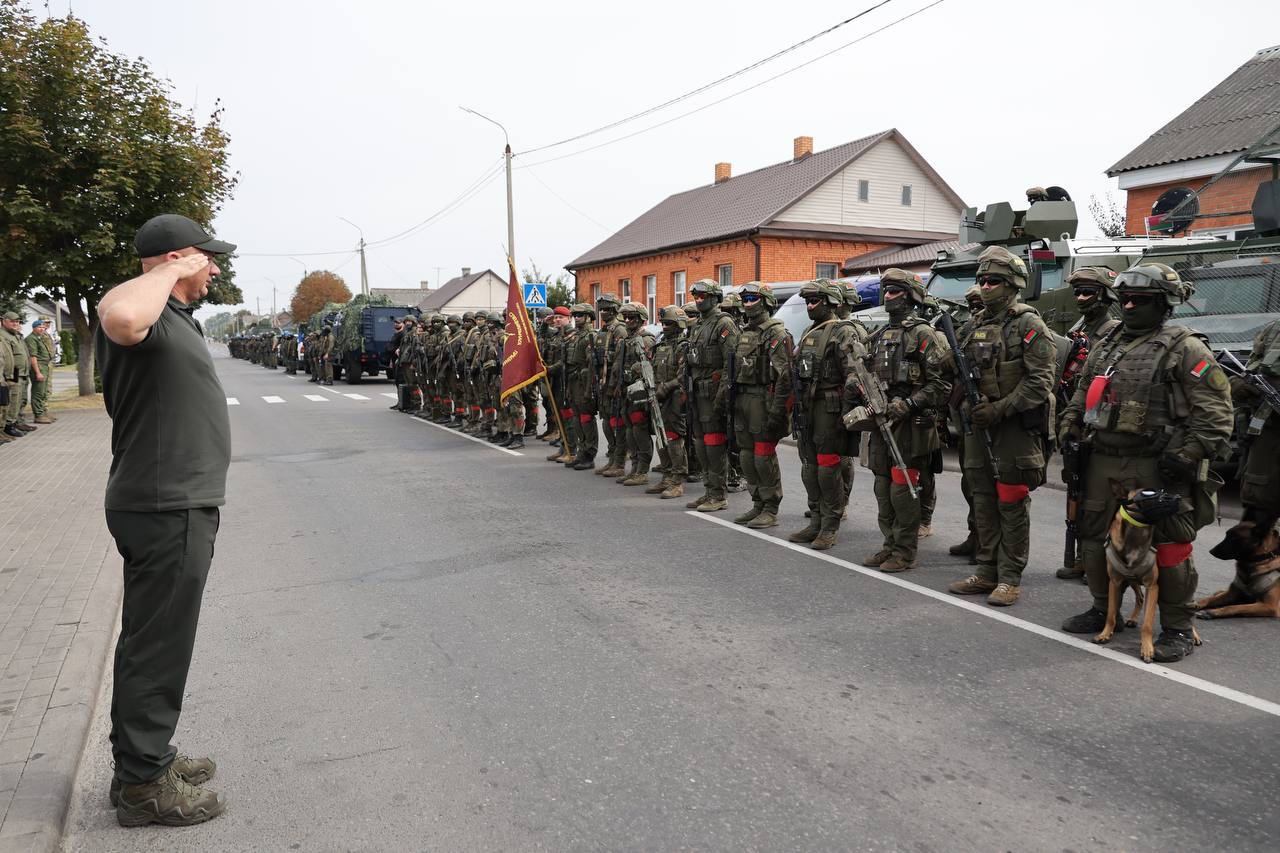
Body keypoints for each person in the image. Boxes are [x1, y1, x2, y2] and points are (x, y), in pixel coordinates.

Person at [94, 213, 233, 826]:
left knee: (153, 640)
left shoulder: (172, 319)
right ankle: (143, 787)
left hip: (174, 501)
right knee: (157, 646)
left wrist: (179, 271)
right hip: (162, 503)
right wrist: (173, 266)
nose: (216, 268)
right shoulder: (138, 312)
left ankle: (143, 760)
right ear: (180, 258)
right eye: (208, 257)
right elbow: (121, 315)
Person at [1058, 262, 1232, 660]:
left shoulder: (1185, 348)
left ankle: (1177, 627)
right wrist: (1068, 427)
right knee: (1092, 534)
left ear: (1164, 304)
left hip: (1157, 462)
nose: (1131, 306)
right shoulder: (1108, 343)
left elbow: (1216, 413)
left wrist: (1188, 455)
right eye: (1126, 298)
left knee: (1170, 545)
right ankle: (1106, 609)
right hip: (1103, 456)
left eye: (1142, 300)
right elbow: (1082, 392)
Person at [946, 247, 1055, 607]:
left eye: (993, 281)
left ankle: (1009, 578)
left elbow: (1040, 382)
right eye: (981, 280)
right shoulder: (974, 324)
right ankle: (986, 570)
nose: (985, 286)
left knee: (1010, 501)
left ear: (1012, 285)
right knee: (982, 498)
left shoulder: (1028, 324)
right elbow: (949, 363)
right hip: (979, 426)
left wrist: (999, 410)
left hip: (1012, 428)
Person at [847, 270, 951, 572]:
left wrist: (908, 404)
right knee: (882, 486)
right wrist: (858, 384)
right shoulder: (879, 335)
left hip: (910, 424)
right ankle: (889, 545)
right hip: (881, 421)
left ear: (911, 296)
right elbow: (862, 370)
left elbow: (941, 384)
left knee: (901, 488)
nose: (888, 297)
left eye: (895, 292)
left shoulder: (922, 334)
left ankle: (905, 552)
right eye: (886, 292)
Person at [788, 279, 863, 550]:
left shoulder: (843, 331)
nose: (810, 305)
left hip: (829, 407)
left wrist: (846, 412)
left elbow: (855, 374)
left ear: (831, 302)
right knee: (809, 467)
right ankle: (816, 520)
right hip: (808, 407)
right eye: (807, 300)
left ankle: (830, 526)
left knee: (828, 467)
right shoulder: (810, 331)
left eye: (815, 300)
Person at [729, 283, 793, 529]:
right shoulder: (744, 333)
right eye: (745, 298)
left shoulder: (776, 333)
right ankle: (757, 503)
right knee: (746, 455)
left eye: (753, 297)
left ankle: (770, 506)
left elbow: (784, 377)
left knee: (763, 455)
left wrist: (778, 411)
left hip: (762, 399)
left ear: (766, 302)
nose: (747, 302)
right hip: (742, 398)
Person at [684, 280, 738, 512]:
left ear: (715, 298)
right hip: (696, 393)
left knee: (714, 445)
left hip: (713, 394)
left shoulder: (724, 323)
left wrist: (722, 396)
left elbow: (731, 364)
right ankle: (709, 490)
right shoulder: (697, 325)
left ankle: (718, 494)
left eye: (703, 295)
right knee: (699, 443)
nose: (698, 299)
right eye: (696, 295)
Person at [618, 302, 656, 485]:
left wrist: (639, 368)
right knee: (630, 431)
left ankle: (642, 470)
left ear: (640, 319)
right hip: (626, 389)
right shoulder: (626, 339)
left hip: (640, 391)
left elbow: (651, 367)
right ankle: (634, 467)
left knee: (639, 430)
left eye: (631, 318)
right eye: (625, 318)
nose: (627, 321)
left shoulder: (646, 339)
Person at [1, 312, 33, 437]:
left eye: (17, 321)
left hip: (20, 372)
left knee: (18, 399)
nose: (15, 324)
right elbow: (7, 358)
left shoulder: (15, 335)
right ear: (4, 321)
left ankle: (13, 423)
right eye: (12, 321)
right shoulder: (3, 335)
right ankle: (8, 426)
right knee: (12, 399)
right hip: (12, 373)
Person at [26, 318, 56, 424]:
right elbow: (33, 357)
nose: (42, 329)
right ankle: (38, 415)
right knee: (38, 392)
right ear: (34, 328)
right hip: (38, 367)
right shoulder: (31, 339)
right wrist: (38, 372)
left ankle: (43, 413)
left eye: (43, 327)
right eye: (39, 327)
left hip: (44, 366)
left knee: (43, 392)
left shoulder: (39, 338)